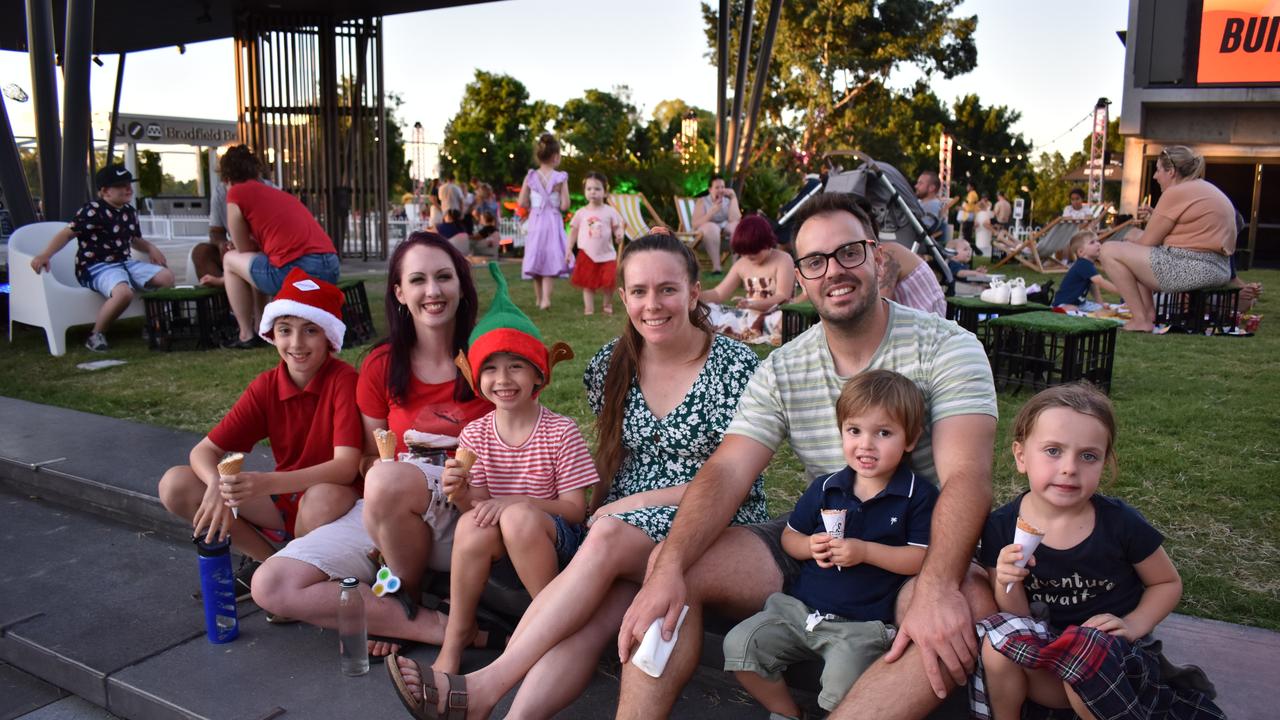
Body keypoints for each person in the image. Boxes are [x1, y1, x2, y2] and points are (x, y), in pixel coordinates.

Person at [615, 192, 998, 720]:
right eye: (815, 261)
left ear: (878, 258)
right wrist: (670, 565)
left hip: (920, 547)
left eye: (849, 253)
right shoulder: (784, 367)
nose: (834, 272)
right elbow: (728, 468)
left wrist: (936, 584)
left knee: (965, 606)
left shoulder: (947, 347)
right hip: (826, 544)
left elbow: (968, 477)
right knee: (673, 565)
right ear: (799, 275)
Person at [384, 233, 765, 719]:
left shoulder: (736, 368)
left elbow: (732, 480)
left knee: (604, 536)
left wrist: (626, 507)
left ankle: (483, 685)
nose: (653, 304)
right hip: (628, 528)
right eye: (640, 291)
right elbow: (614, 457)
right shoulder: (611, 364)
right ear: (623, 297)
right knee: (588, 623)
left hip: (710, 521)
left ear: (694, 292)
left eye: (668, 289)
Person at [251, 232, 492, 656]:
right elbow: (368, 457)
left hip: (469, 517)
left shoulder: (489, 355)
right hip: (390, 516)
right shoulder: (381, 363)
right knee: (271, 583)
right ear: (399, 292)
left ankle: (403, 599)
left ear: (461, 285)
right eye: (417, 280)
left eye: (443, 277)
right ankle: (435, 626)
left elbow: (521, 444)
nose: (432, 291)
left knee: (387, 479)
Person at [976, 383, 1224, 720]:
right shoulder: (1002, 526)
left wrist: (1133, 623)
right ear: (1021, 456)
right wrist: (1008, 581)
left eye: (1088, 456)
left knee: (1087, 650)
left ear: (1105, 462)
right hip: (1048, 660)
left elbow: (1166, 584)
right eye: (1053, 451)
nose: (1069, 467)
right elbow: (1016, 619)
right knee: (996, 647)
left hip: (1116, 661)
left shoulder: (1119, 522)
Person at [724, 370, 939, 718]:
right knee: (740, 645)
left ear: (910, 439)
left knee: (844, 684)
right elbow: (789, 538)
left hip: (861, 624)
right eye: (854, 431)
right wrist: (811, 546)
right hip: (798, 612)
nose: (866, 444)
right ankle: (788, 712)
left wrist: (865, 551)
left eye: (883, 433)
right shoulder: (827, 488)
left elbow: (920, 559)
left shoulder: (917, 496)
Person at [430, 262, 598, 673]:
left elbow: (576, 510)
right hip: (504, 544)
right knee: (471, 524)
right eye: (490, 367)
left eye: (515, 365)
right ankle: (456, 637)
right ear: (476, 377)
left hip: (559, 544)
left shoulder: (561, 431)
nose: (502, 379)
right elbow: (481, 511)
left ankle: (556, 629)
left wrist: (515, 503)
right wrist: (463, 494)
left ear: (539, 373)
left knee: (520, 518)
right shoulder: (475, 435)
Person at [158, 268, 361, 588]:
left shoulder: (344, 380)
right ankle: (267, 563)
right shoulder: (267, 386)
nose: (296, 343)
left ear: (329, 336)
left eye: (310, 330)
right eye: (285, 330)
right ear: (272, 333)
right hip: (281, 501)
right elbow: (204, 451)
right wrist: (216, 485)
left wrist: (265, 483)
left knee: (324, 497)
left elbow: (346, 468)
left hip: (330, 502)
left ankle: (297, 573)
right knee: (176, 483)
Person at [28, 164, 175, 352]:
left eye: (128, 184)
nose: (128, 188)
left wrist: (151, 248)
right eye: (121, 185)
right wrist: (46, 254)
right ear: (105, 191)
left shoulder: (129, 212)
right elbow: (67, 234)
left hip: (124, 263)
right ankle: (96, 335)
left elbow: (135, 240)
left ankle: (153, 325)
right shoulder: (92, 210)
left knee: (166, 277)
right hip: (95, 266)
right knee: (124, 293)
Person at [1099, 146, 1236, 333]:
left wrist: (1132, 237)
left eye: (1158, 170)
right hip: (1217, 268)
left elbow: (1148, 242)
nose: (1155, 176)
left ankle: (1141, 319)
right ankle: (1147, 315)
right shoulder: (1204, 188)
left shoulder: (1176, 192)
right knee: (1132, 250)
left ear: (1171, 172)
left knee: (1108, 250)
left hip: (1191, 267)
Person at [219, 145, 340, 349]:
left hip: (296, 271)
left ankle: (246, 334)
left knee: (230, 260)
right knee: (257, 262)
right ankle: (261, 327)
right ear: (256, 172)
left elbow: (242, 248)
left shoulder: (236, 193)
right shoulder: (275, 193)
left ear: (225, 179)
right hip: (330, 266)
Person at [701, 214, 796, 345]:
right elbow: (719, 293)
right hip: (748, 314)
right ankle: (743, 330)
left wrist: (753, 304)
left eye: (754, 251)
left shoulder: (783, 259)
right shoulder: (742, 263)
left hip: (775, 313)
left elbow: (782, 296)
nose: (748, 256)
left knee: (784, 321)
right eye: (744, 252)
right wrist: (695, 296)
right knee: (708, 309)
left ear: (767, 243)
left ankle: (752, 331)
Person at [518, 133, 571, 310]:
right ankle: (546, 300)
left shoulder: (531, 176)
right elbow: (565, 205)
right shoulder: (560, 177)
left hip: (536, 220)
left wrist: (534, 203)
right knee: (549, 257)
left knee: (537, 256)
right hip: (553, 221)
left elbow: (522, 202)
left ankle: (538, 298)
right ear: (556, 156)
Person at [565, 172, 624, 316]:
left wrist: (619, 234)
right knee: (588, 283)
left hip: (607, 254)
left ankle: (607, 305)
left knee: (608, 281)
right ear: (585, 191)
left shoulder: (610, 211)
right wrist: (568, 249)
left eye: (597, 189)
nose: (593, 192)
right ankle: (589, 308)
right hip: (587, 253)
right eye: (589, 189)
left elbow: (618, 226)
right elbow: (573, 232)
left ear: (605, 192)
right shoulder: (581, 213)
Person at [876, 240, 947, 317]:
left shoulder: (887, 253)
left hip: (923, 324)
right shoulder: (889, 250)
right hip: (922, 321)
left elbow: (876, 310)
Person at [1053, 231, 1118, 313]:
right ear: (1080, 252)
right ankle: (1061, 309)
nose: (1098, 244)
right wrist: (1122, 291)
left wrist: (1100, 303)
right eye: (1092, 242)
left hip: (1080, 303)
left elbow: (1093, 285)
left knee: (1104, 310)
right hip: (1064, 303)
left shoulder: (1087, 264)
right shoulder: (1083, 264)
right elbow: (1101, 282)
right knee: (1077, 313)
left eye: (1097, 241)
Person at [692, 174, 741, 273]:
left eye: (722, 187)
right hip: (706, 233)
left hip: (724, 231)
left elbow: (734, 219)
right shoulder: (702, 201)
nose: (721, 190)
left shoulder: (727, 201)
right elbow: (695, 224)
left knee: (737, 226)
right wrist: (711, 213)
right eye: (717, 187)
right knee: (712, 227)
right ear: (710, 189)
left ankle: (736, 266)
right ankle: (717, 267)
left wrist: (733, 198)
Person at [915, 170, 953, 245]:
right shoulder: (920, 202)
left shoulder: (933, 205)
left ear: (931, 188)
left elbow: (921, 229)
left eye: (920, 183)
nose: (916, 186)